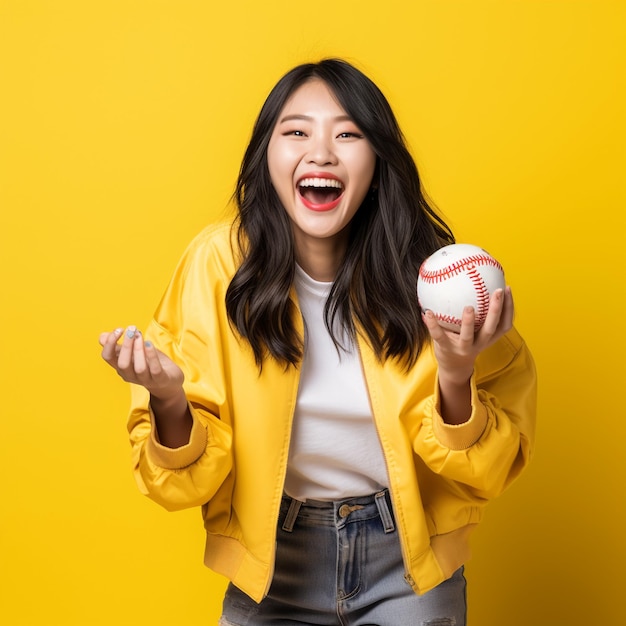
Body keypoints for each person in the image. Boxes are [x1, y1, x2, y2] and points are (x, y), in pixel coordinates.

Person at [99, 58, 536, 626]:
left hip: (407, 562)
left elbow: (490, 469)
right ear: (267, 158)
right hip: (273, 564)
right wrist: (169, 401)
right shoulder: (216, 266)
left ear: (378, 162)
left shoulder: (440, 281)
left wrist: (456, 375)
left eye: (348, 133)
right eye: (297, 131)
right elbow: (176, 486)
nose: (322, 152)